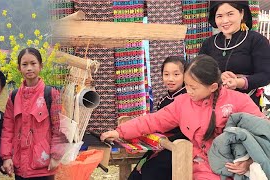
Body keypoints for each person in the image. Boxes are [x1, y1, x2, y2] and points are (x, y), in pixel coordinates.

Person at [101, 54, 265, 179]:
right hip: (193, 163)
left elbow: (264, 135)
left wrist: (249, 161)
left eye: (193, 87)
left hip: (229, 166)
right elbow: (154, 120)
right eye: (187, 86)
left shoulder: (239, 101)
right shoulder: (183, 102)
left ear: (213, 87)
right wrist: (120, 132)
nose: (188, 91)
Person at [0, 47, 68, 180]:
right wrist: (6, 157)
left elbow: (59, 128)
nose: (29, 68)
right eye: (24, 64)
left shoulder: (51, 94)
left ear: (41, 66)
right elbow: (8, 129)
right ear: (19, 68)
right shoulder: (13, 96)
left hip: (43, 165)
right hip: (20, 166)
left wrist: (55, 155)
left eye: (33, 63)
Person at [199, 1, 270, 106]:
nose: (225, 20)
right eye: (219, 16)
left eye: (230, 14)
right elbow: (198, 72)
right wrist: (217, 77)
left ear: (242, 13)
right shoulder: (208, 44)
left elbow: (265, 75)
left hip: (246, 107)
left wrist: (238, 82)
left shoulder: (256, 40)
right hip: (214, 106)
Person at [128, 56, 187, 180]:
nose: (170, 79)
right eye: (166, 74)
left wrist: (165, 141)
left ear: (185, 75)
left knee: (150, 171)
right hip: (160, 145)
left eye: (176, 74)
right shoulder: (163, 100)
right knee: (137, 172)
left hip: (177, 147)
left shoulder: (187, 99)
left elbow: (187, 131)